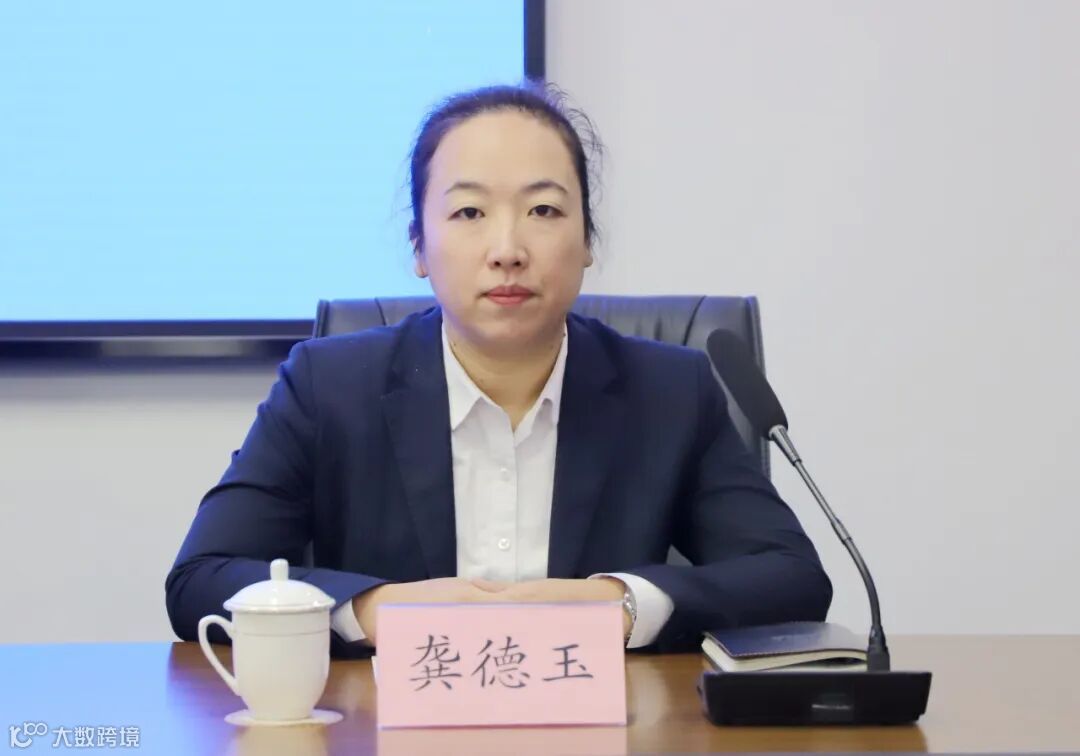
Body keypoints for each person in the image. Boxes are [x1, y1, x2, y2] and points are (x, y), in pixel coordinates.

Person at [166, 82, 831, 658]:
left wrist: (620, 604)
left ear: (587, 240)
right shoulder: (327, 386)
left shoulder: (670, 393)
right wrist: (374, 611)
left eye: (544, 210)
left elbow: (792, 578)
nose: (507, 249)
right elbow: (201, 579)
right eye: (469, 212)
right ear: (419, 246)